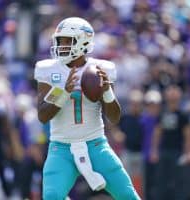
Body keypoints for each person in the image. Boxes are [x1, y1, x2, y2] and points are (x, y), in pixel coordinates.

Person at [34, 17, 141, 200]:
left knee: (127, 195)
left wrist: (107, 91)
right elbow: (43, 115)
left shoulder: (100, 70)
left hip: (95, 145)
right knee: (51, 196)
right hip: (61, 148)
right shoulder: (49, 70)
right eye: (60, 40)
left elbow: (114, 118)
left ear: (83, 41)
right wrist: (62, 92)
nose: (62, 45)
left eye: (68, 40)